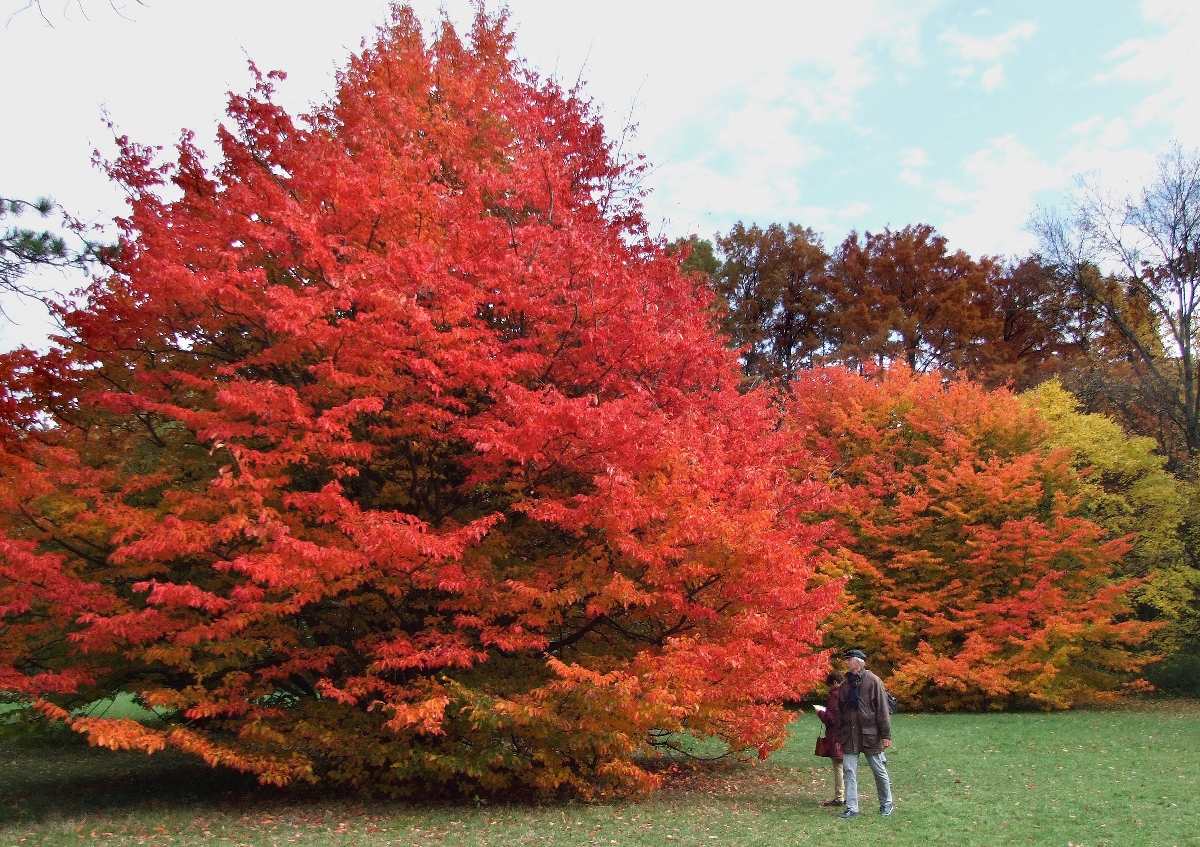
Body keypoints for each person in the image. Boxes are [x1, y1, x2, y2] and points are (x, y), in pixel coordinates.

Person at [835, 649, 893, 818]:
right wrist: (839, 736)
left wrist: (886, 735)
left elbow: (882, 709)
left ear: (858, 663)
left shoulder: (874, 682)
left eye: (848, 660)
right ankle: (852, 808)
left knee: (878, 769)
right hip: (849, 735)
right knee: (849, 771)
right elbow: (840, 713)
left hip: (871, 735)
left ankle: (886, 803)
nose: (846, 663)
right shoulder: (845, 685)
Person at [815, 671, 845, 807]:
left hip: (836, 734)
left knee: (838, 765)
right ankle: (849, 796)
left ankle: (840, 796)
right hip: (848, 733)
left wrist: (820, 712)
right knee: (848, 766)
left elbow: (830, 718)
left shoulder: (835, 695)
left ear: (834, 683)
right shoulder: (848, 693)